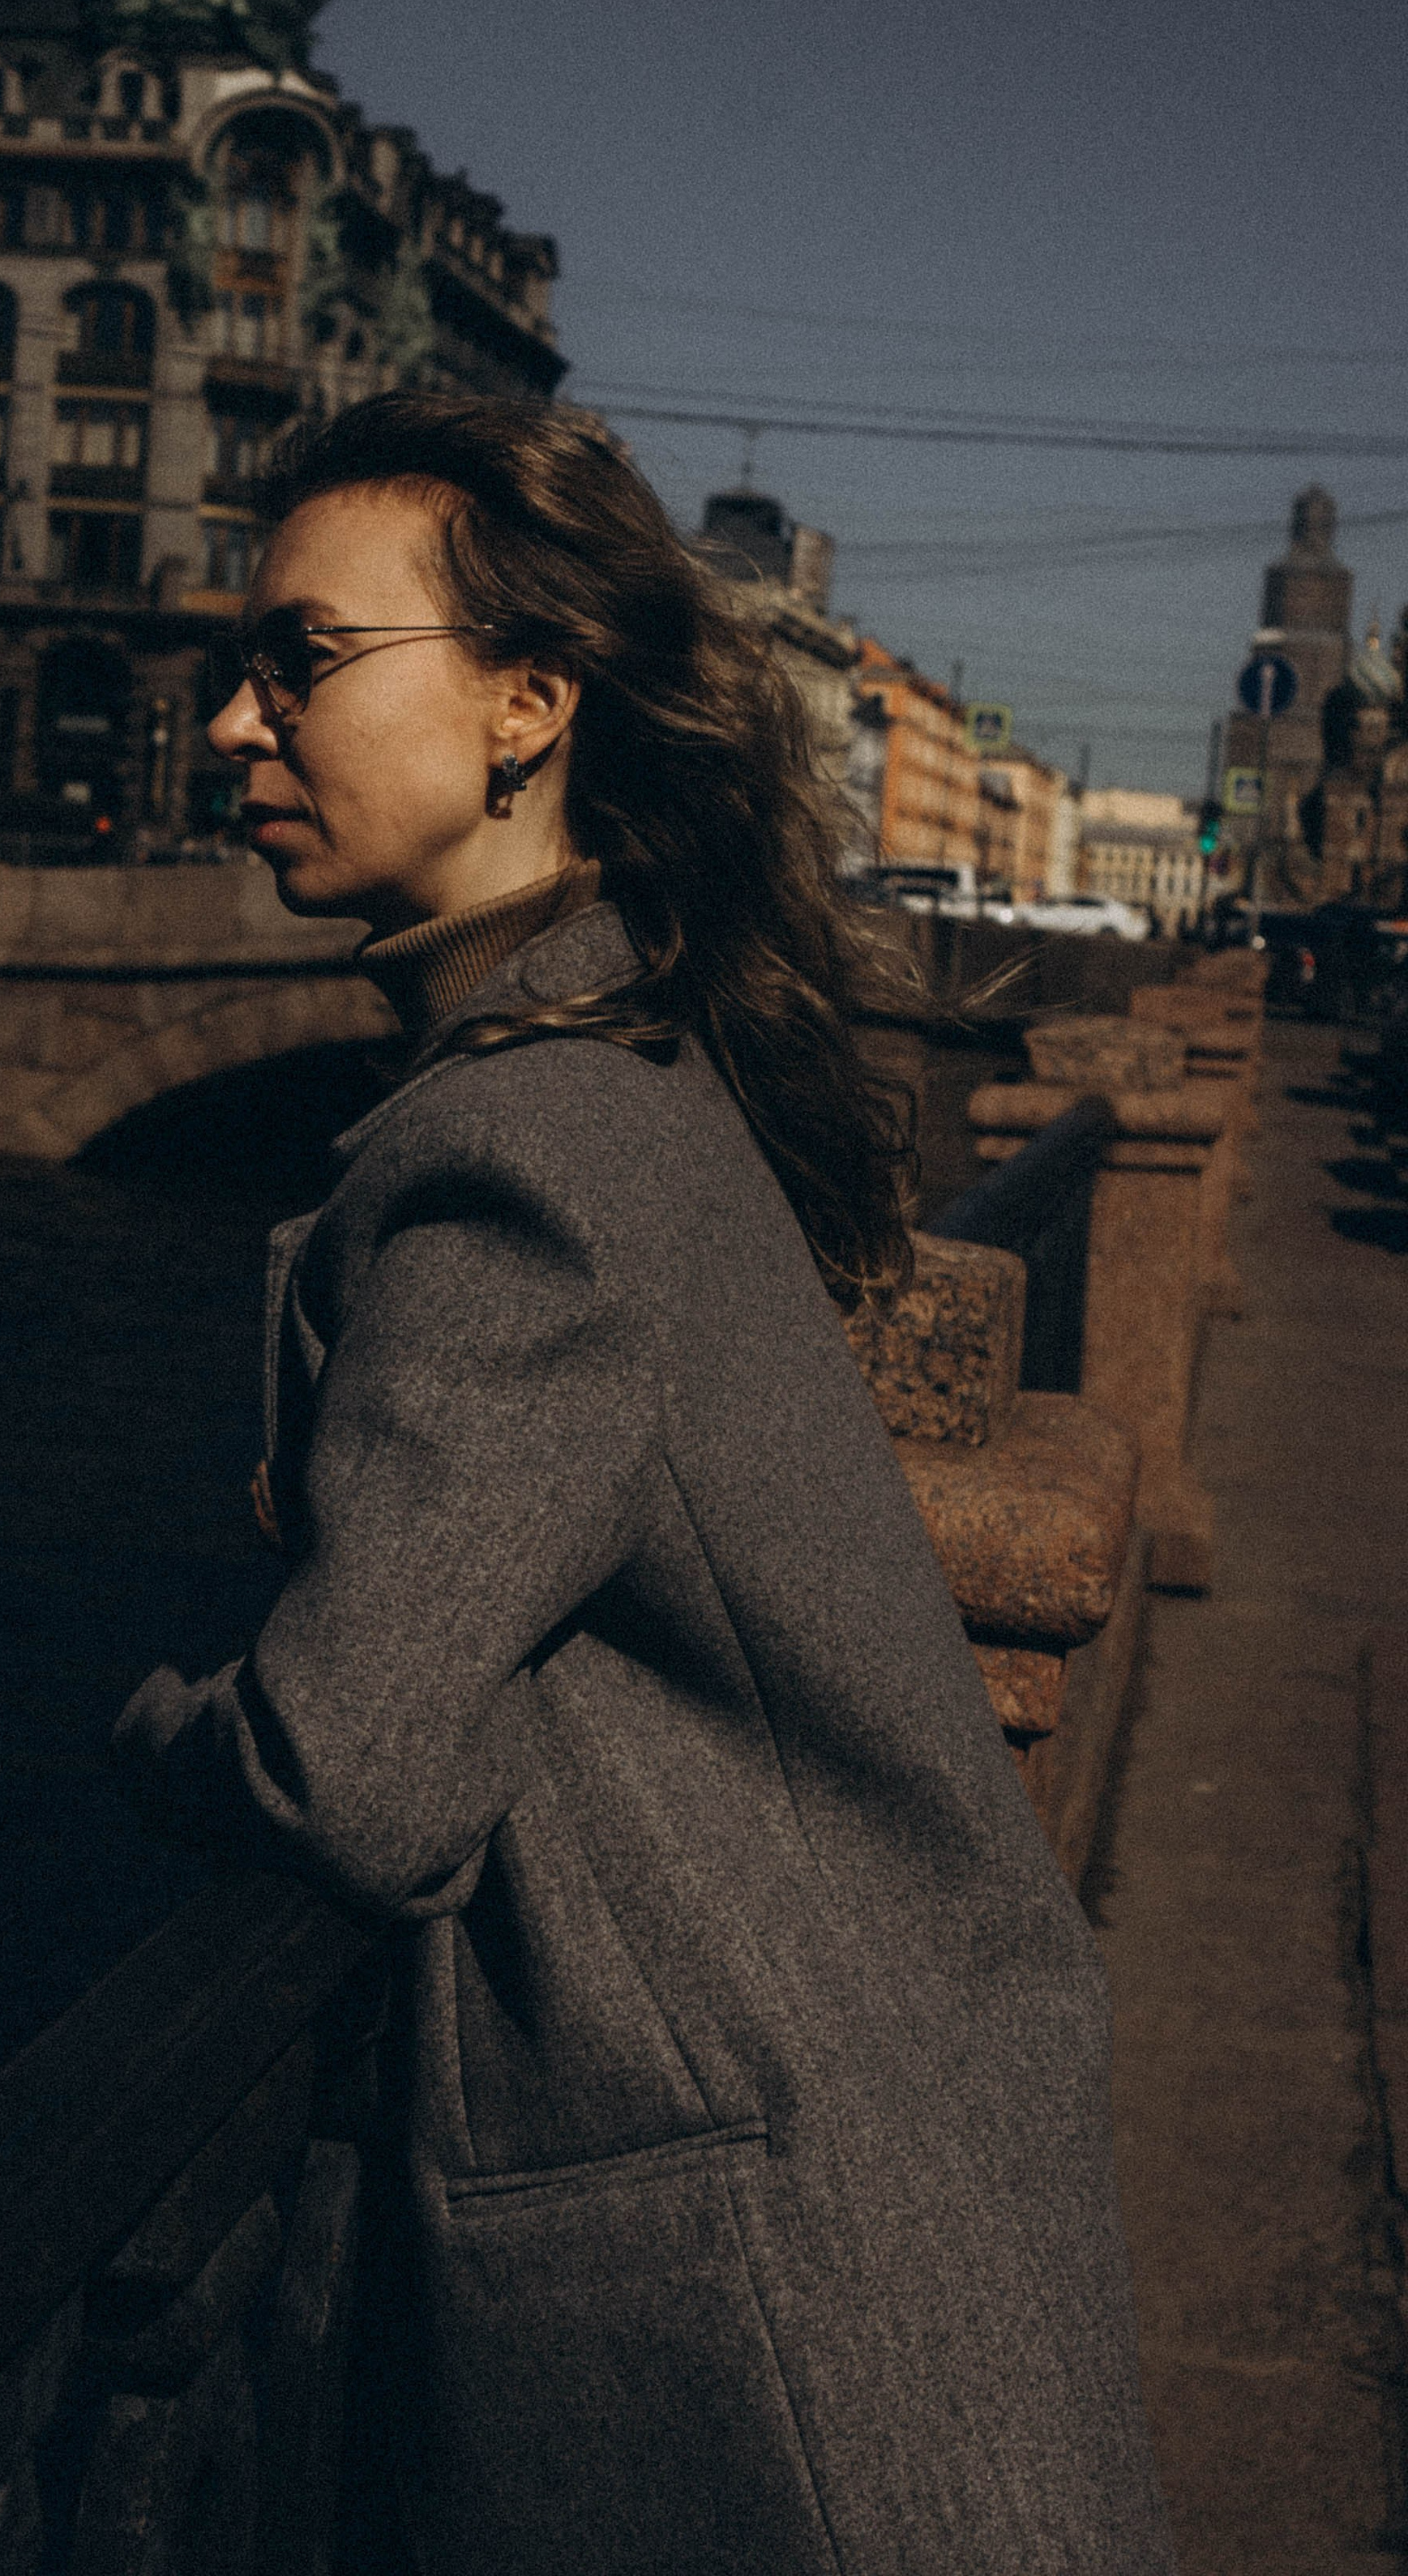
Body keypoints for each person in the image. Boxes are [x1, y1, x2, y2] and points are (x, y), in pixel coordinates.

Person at [113, 394, 1172, 2575]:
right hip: (869, 2164)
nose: (234, 720)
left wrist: (152, 1726)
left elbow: (348, 1775)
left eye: (302, 660)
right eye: (239, 665)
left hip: (764, 2298)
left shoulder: (529, 1141)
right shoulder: (623, 1058)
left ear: (525, 703)